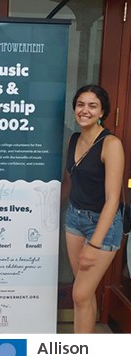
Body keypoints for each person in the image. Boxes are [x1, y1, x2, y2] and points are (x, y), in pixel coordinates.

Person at [61, 84, 124, 333]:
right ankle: (83, 351)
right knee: (83, 294)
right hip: (74, 219)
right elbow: (70, 179)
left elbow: (112, 200)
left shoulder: (111, 144)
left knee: (79, 294)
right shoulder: (74, 139)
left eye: (92, 106)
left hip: (103, 226)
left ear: (102, 112)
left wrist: (94, 245)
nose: (84, 110)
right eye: (80, 104)